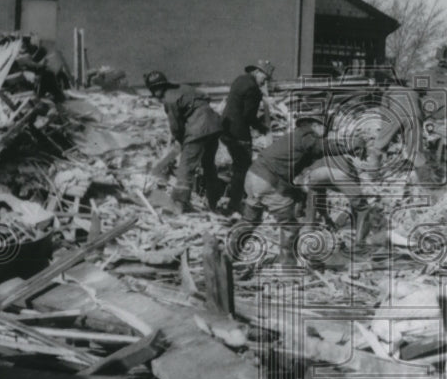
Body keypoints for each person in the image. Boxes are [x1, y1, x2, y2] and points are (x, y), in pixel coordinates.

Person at [230, 111, 349, 266]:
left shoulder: (294, 137)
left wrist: (304, 199)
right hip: (267, 180)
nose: (324, 134)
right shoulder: (307, 135)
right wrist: (349, 146)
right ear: (315, 125)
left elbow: (295, 177)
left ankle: (227, 256)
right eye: (324, 130)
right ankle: (288, 269)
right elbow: (322, 148)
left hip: (253, 176)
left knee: (249, 220)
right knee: (290, 228)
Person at [144, 70, 223, 214]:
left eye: (156, 89)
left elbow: (176, 127)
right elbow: (206, 98)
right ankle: (214, 201)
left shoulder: (169, 99)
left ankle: (179, 204)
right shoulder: (183, 88)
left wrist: (181, 141)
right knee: (208, 164)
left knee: (185, 168)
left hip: (199, 128)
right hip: (215, 125)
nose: (156, 93)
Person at [219, 59, 273, 213]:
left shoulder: (239, 80)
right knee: (242, 169)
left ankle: (233, 198)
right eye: (265, 78)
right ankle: (235, 205)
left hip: (226, 129)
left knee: (236, 166)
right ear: (257, 72)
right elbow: (248, 116)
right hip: (239, 133)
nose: (264, 82)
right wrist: (263, 129)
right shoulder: (253, 90)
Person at [365, 79, 425, 176]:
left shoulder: (387, 93)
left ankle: (373, 171)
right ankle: (424, 177)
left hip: (396, 114)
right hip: (415, 116)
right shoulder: (414, 93)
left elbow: (385, 114)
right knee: (416, 146)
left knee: (380, 144)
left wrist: (387, 133)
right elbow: (421, 114)